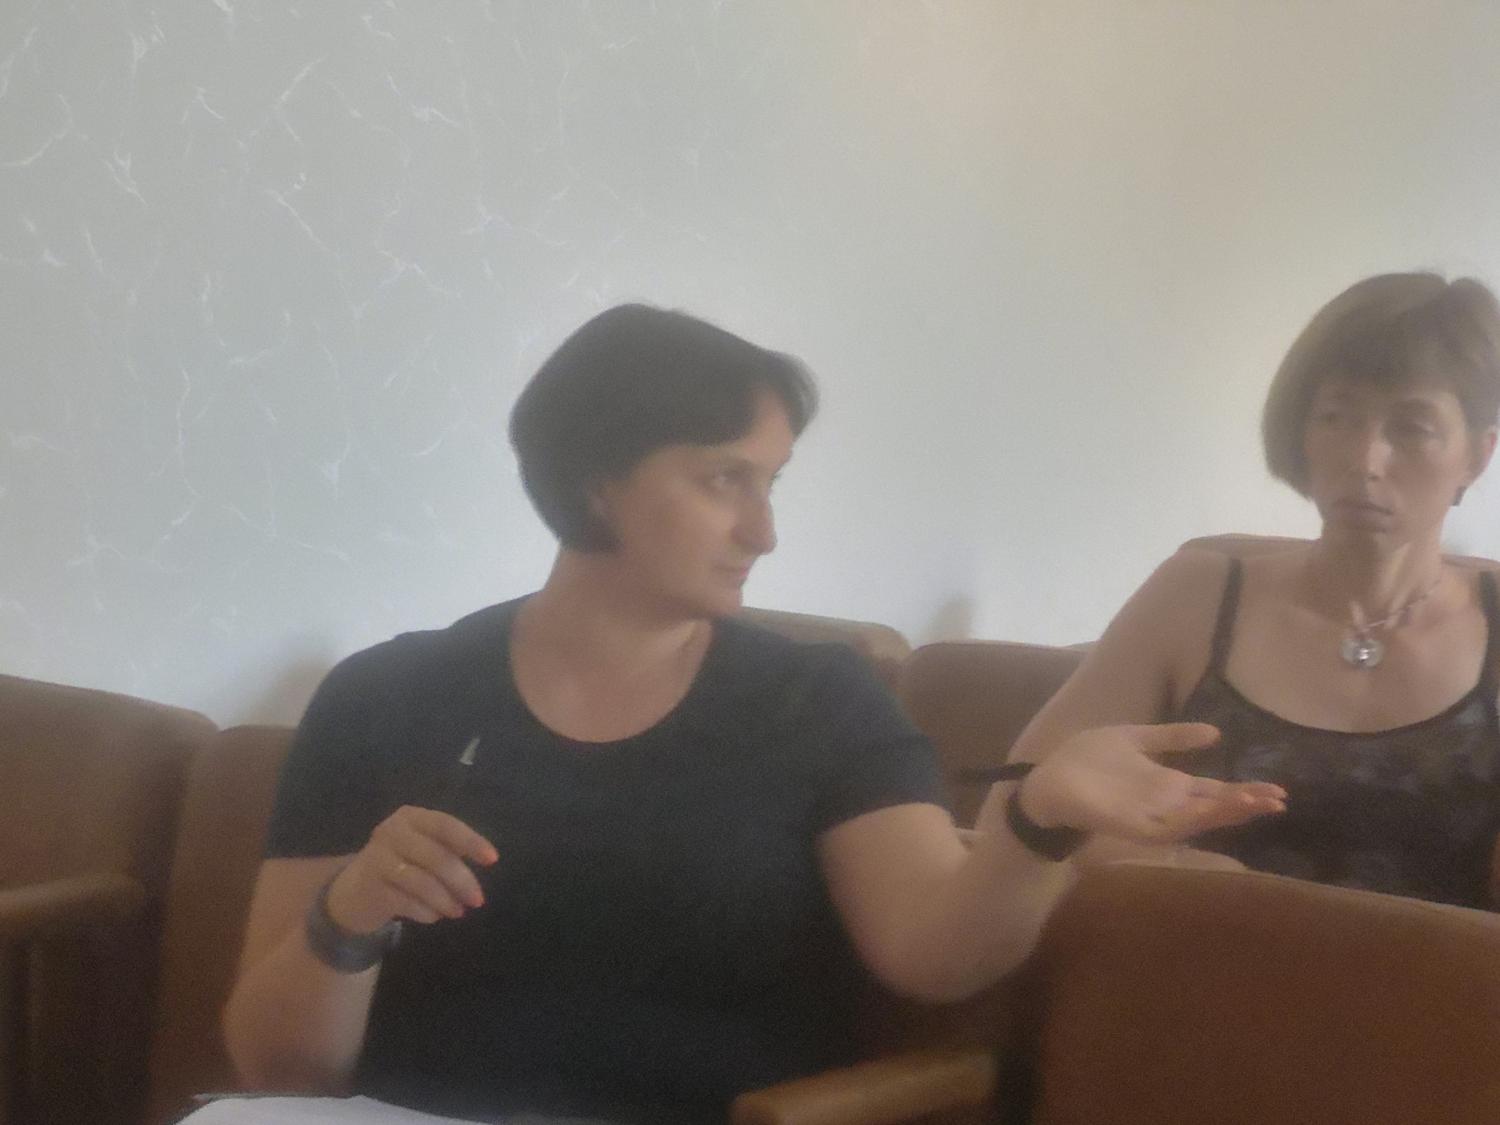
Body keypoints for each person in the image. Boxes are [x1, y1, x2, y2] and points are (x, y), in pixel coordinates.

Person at [222, 304, 1284, 1123]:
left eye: (772, 482)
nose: (764, 531)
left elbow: (934, 950)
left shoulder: (814, 703)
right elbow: (276, 1071)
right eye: (724, 480)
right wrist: (347, 914)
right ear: (598, 482)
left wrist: (1038, 820)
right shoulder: (387, 696)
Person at [1013, 272, 1500, 908]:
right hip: (1193, 953)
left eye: (1411, 428)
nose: (1365, 460)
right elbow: (1018, 798)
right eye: (1337, 416)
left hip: (1433, 972)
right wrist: (1156, 861)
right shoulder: (1195, 596)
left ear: (1476, 456)